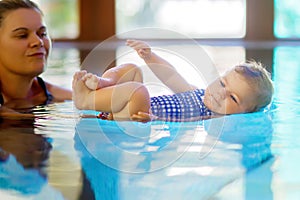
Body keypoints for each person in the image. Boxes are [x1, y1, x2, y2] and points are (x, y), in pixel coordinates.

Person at [72, 40, 274, 122]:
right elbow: (171, 75)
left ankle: (86, 101)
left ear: (244, 114)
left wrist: (150, 120)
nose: (221, 93)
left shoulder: (215, 118)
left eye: (234, 98)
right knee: (132, 70)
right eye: (222, 83)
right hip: (127, 103)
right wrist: (149, 57)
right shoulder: (196, 91)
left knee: (139, 90)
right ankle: (103, 83)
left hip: (138, 113)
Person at [0, 0, 72, 117]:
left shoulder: (50, 93)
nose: (38, 42)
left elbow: (88, 101)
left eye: (42, 34)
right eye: (22, 35)